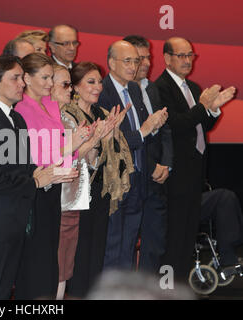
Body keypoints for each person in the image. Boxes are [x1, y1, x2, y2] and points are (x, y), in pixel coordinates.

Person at [0, 55, 77, 300]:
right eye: (15, 78)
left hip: (15, 220)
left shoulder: (15, 118)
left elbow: (22, 167)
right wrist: (36, 181)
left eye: (21, 77)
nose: (21, 84)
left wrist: (42, 173)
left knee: (4, 291)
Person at [154, 37, 236, 281]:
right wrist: (202, 107)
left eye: (190, 55)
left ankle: (178, 287)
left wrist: (212, 109)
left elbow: (203, 125)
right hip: (174, 176)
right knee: (175, 237)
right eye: (182, 56)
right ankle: (166, 288)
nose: (188, 60)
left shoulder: (193, 88)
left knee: (188, 236)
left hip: (193, 175)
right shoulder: (160, 88)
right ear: (167, 58)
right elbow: (176, 125)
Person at [13, 53, 91, 300]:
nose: (50, 83)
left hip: (55, 186)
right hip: (37, 190)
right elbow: (36, 156)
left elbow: (64, 150)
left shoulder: (49, 105)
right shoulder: (23, 109)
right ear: (27, 78)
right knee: (37, 263)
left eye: (51, 77)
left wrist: (82, 141)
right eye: (45, 77)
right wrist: (71, 145)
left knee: (50, 261)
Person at [63, 62, 132, 298]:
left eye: (99, 81)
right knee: (79, 253)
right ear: (75, 87)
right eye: (91, 82)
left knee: (97, 251)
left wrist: (112, 134)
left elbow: (117, 154)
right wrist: (96, 137)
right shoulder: (67, 114)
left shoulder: (102, 114)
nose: (98, 87)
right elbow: (70, 155)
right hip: (77, 192)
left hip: (101, 191)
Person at [98, 40, 168, 270]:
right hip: (114, 181)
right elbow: (109, 143)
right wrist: (146, 129)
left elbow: (144, 136)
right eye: (127, 61)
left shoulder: (135, 89)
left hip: (137, 178)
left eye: (136, 61)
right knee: (112, 245)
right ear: (111, 63)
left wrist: (153, 127)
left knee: (129, 245)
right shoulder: (102, 93)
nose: (133, 66)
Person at [123, 35, 173, 274]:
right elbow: (129, 136)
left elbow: (164, 131)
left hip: (157, 179)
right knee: (127, 242)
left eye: (147, 57)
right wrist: (152, 165)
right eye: (139, 58)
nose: (145, 63)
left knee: (155, 241)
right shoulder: (118, 92)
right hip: (135, 175)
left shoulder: (151, 89)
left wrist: (166, 164)